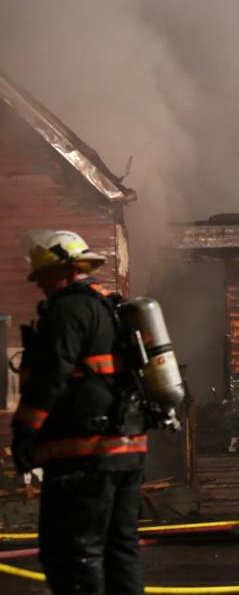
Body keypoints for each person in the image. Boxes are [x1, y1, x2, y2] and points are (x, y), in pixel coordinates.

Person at [9, 230, 147, 595]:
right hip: (126, 448)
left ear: (64, 270)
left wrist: (24, 432)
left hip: (85, 454)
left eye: (43, 276)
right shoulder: (109, 305)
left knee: (74, 552)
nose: (40, 286)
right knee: (121, 548)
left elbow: (51, 378)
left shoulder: (68, 309)